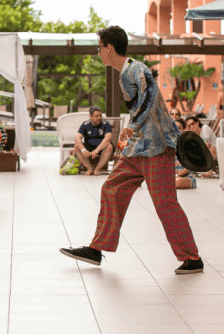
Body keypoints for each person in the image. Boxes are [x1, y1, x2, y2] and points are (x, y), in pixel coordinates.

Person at [60, 25, 204, 275]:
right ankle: (97, 248)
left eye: (99, 48)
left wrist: (133, 125)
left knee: (165, 204)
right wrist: (134, 130)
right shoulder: (124, 73)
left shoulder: (137, 69)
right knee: (112, 188)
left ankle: (192, 258)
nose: (98, 53)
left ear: (109, 48)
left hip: (158, 146)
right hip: (140, 148)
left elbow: (149, 97)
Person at [72, 106, 114, 176]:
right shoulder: (85, 124)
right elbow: (77, 138)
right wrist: (83, 150)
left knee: (109, 146)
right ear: (90, 116)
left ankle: (97, 169)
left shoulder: (106, 124)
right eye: (96, 116)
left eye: (100, 115)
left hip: (101, 148)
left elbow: (108, 139)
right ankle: (90, 169)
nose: (99, 118)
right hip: (89, 147)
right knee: (76, 146)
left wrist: (97, 150)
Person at [174, 118, 197, 189]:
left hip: (186, 177)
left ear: (184, 129)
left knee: (177, 182)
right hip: (172, 177)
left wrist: (178, 175)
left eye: (179, 128)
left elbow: (189, 166)